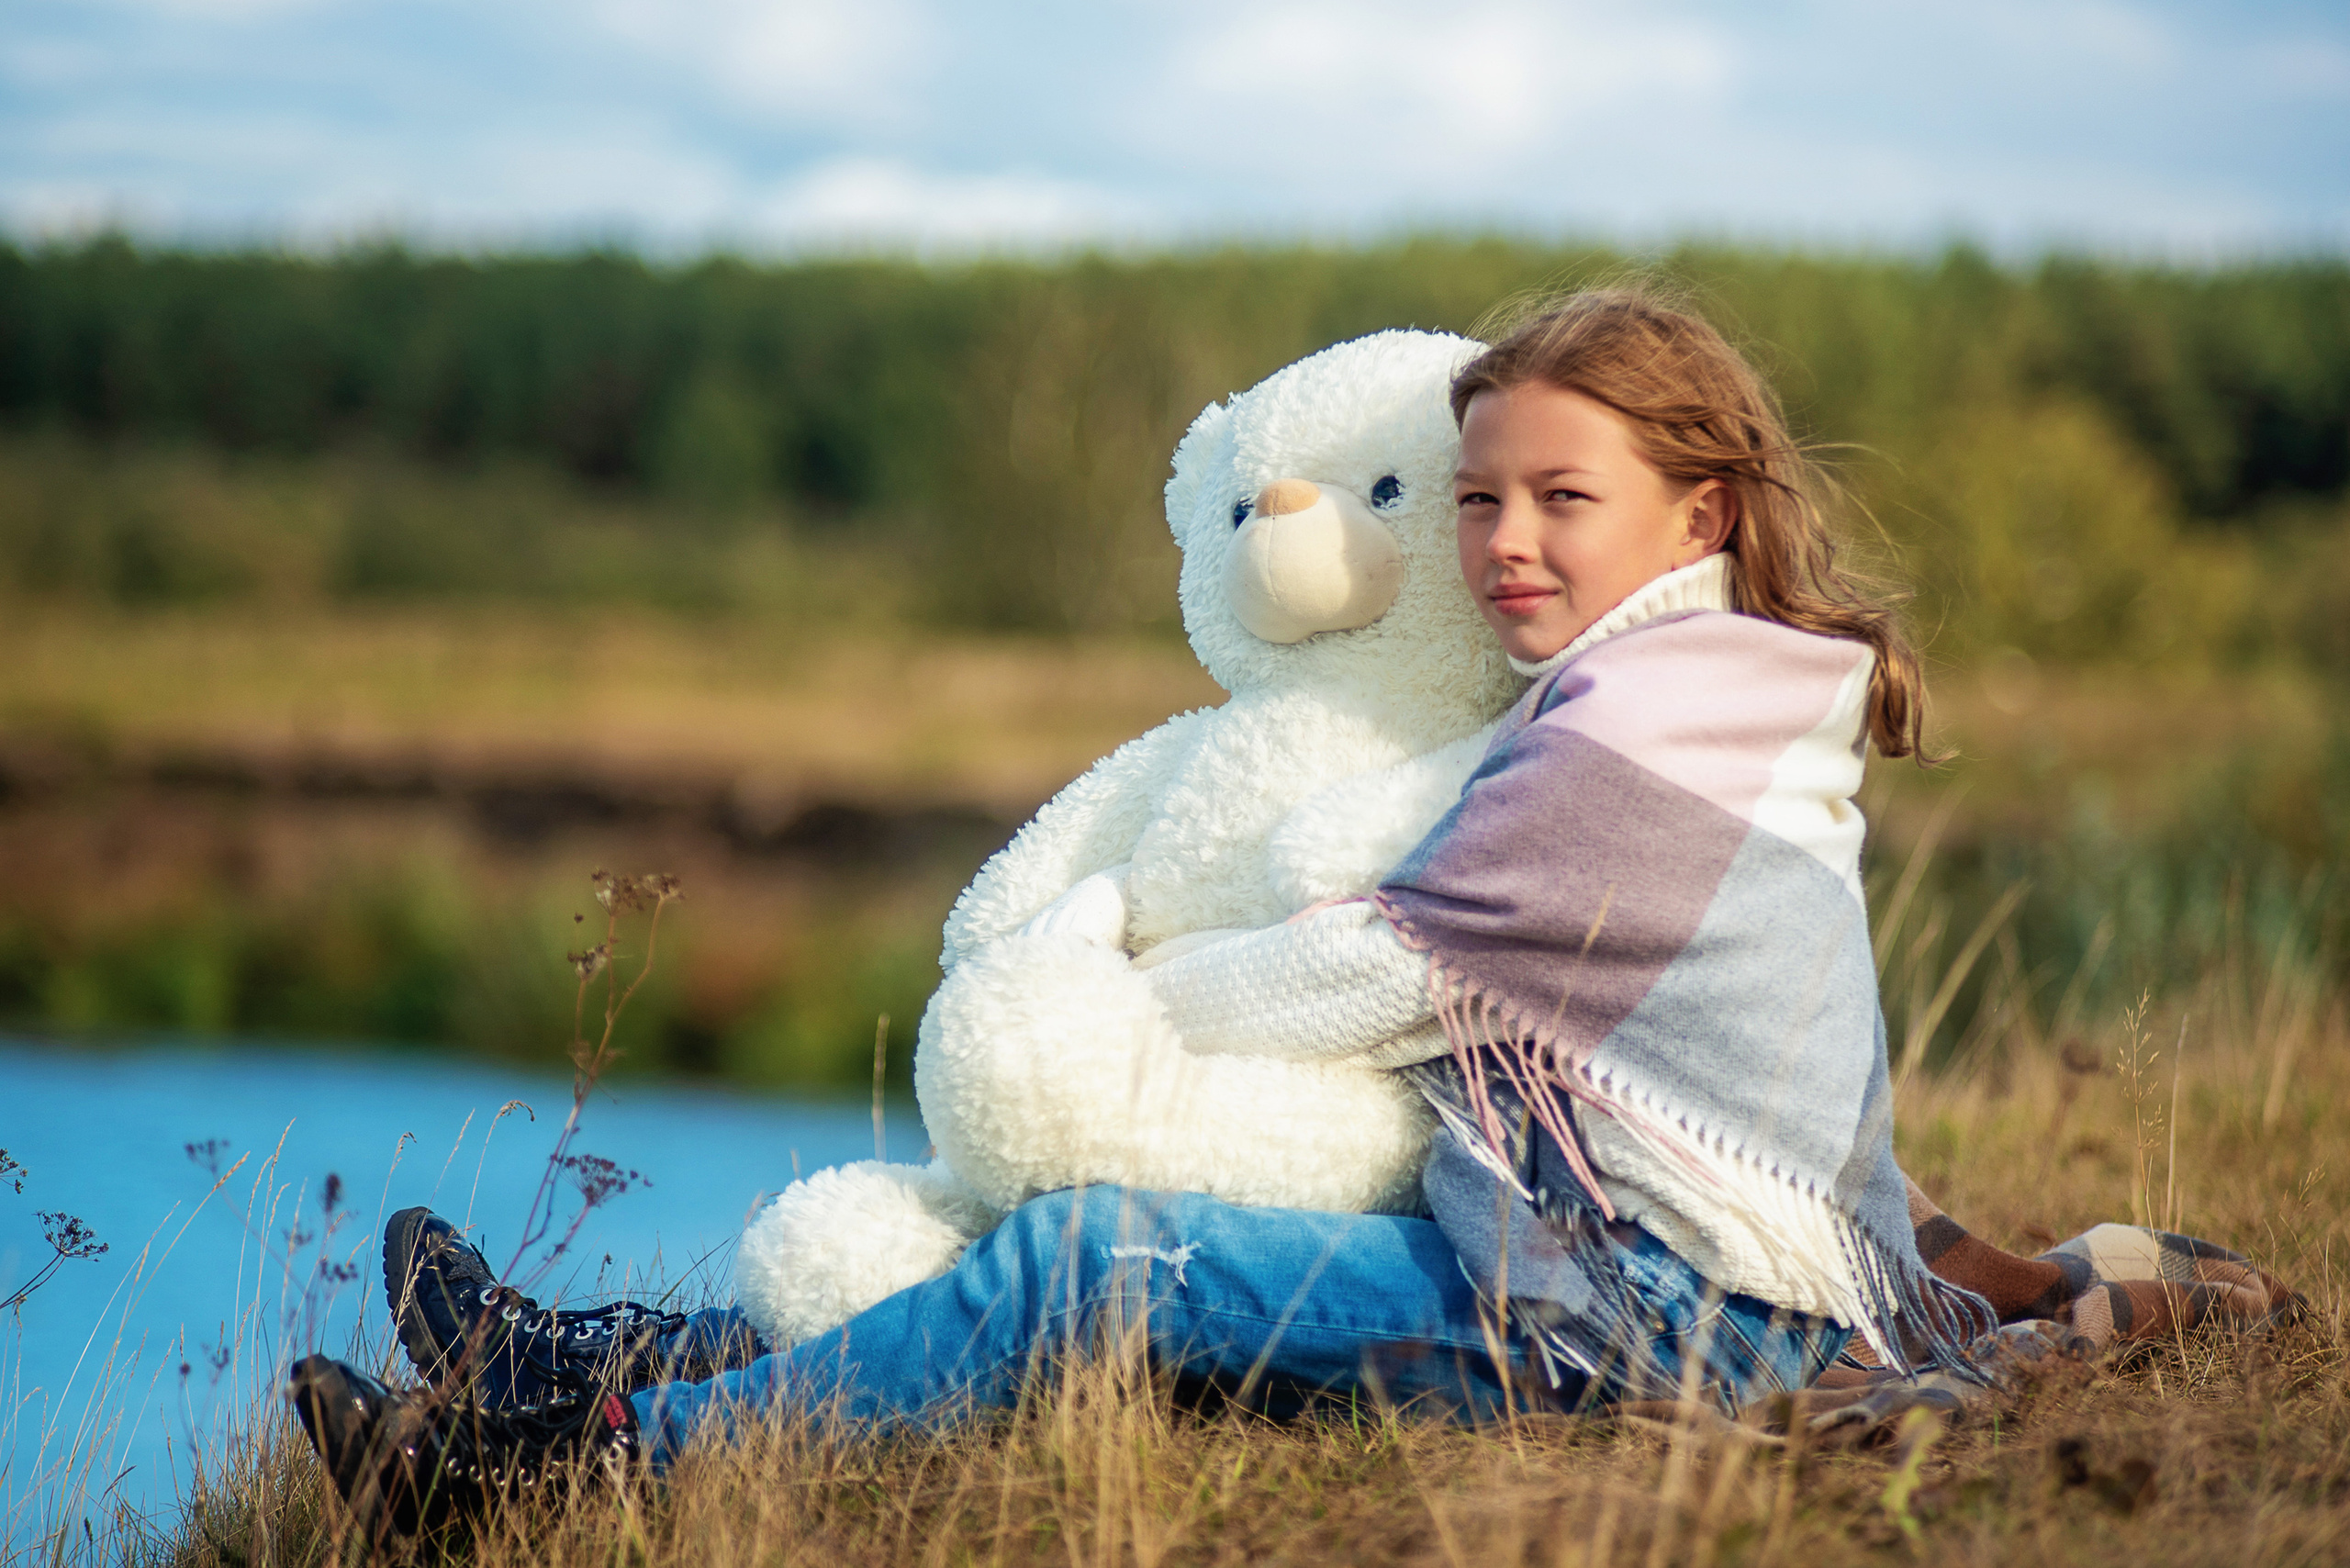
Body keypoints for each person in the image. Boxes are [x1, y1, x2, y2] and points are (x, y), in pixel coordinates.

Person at [286, 291, 2292, 1536]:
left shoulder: (1668, 723)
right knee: (1024, 1242)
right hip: (1582, 1245)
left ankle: (590, 1460)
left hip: (1668, 1327)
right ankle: (592, 1358)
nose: (1504, 544)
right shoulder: (1681, 682)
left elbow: (1387, 960)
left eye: (1559, 499)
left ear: (1696, 508)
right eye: (1480, 495)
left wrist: (1130, 989)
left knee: (1088, 1251)